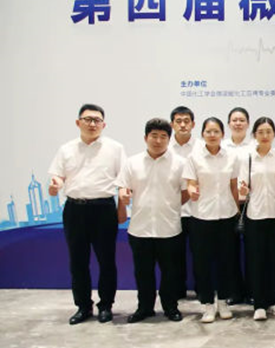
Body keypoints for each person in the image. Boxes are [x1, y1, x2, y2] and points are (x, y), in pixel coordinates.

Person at [48, 104, 127, 325]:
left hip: (103, 209)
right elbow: (58, 176)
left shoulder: (115, 148)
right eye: (88, 119)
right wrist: (56, 185)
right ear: (78, 122)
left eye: (97, 120)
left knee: (106, 261)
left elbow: (123, 181)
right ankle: (83, 306)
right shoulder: (66, 149)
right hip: (75, 209)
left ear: (104, 124)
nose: (92, 124)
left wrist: (122, 209)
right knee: (78, 262)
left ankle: (106, 306)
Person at [116, 118, 188, 323]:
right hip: (140, 228)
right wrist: (123, 196)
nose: (158, 140)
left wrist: (170, 206)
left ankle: (171, 307)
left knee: (170, 273)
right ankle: (145, 308)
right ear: (145, 138)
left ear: (169, 139)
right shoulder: (132, 163)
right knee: (143, 272)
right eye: (154, 136)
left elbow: (185, 193)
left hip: (169, 228)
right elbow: (123, 187)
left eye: (163, 136)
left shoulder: (180, 164)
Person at [184, 117, 240, 323]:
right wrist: (192, 190)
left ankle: (223, 301)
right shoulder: (194, 157)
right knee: (203, 262)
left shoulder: (232, 156)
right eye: (208, 131)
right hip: (202, 216)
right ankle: (207, 304)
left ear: (222, 134)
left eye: (216, 131)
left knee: (227, 260)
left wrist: (237, 211)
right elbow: (190, 183)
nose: (212, 135)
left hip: (226, 215)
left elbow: (233, 185)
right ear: (203, 134)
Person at [240, 117, 275, 321]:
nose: (265, 135)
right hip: (255, 215)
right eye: (260, 132)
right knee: (256, 261)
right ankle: (259, 304)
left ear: (274, 134)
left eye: (268, 131)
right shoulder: (247, 158)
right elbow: (242, 187)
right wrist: (243, 189)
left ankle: (274, 301)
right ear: (254, 135)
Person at [223, 107, 254, 305]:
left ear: (248, 124)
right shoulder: (221, 146)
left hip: (251, 204)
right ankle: (234, 291)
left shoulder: (255, 146)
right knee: (229, 251)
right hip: (227, 203)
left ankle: (252, 291)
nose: (238, 123)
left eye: (242, 120)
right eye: (234, 120)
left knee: (253, 251)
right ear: (229, 124)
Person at [170, 106, 198, 300]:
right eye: (178, 121)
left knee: (200, 254)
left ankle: (201, 289)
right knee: (174, 254)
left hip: (197, 210)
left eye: (186, 121)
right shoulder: (164, 147)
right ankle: (177, 289)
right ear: (172, 124)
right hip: (174, 210)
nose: (182, 125)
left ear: (193, 124)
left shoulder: (201, 147)